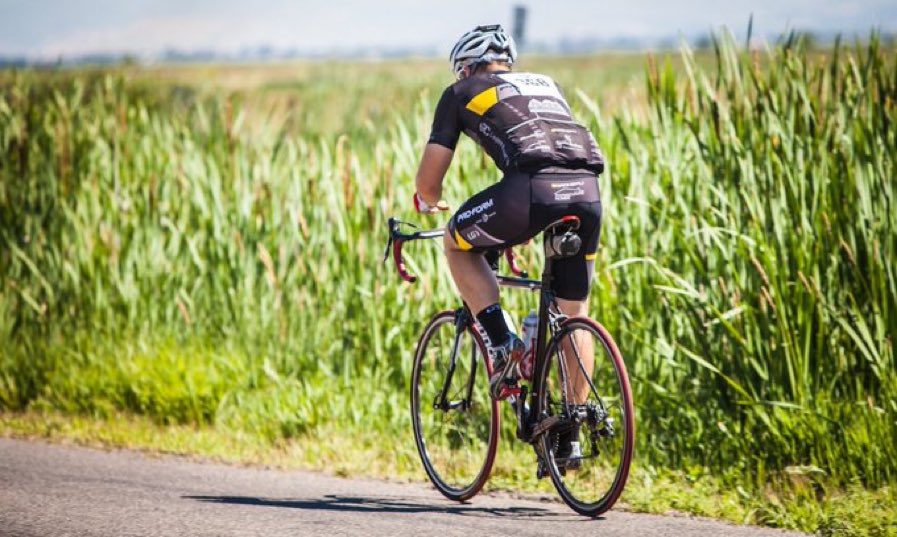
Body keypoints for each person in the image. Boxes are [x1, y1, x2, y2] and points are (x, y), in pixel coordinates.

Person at [413, 25, 604, 434]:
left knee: (456, 243)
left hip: (530, 193)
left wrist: (429, 199)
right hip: (587, 192)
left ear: (465, 69)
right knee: (575, 313)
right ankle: (570, 434)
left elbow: (429, 182)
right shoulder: (546, 85)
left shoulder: (460, 92)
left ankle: (503, 343)